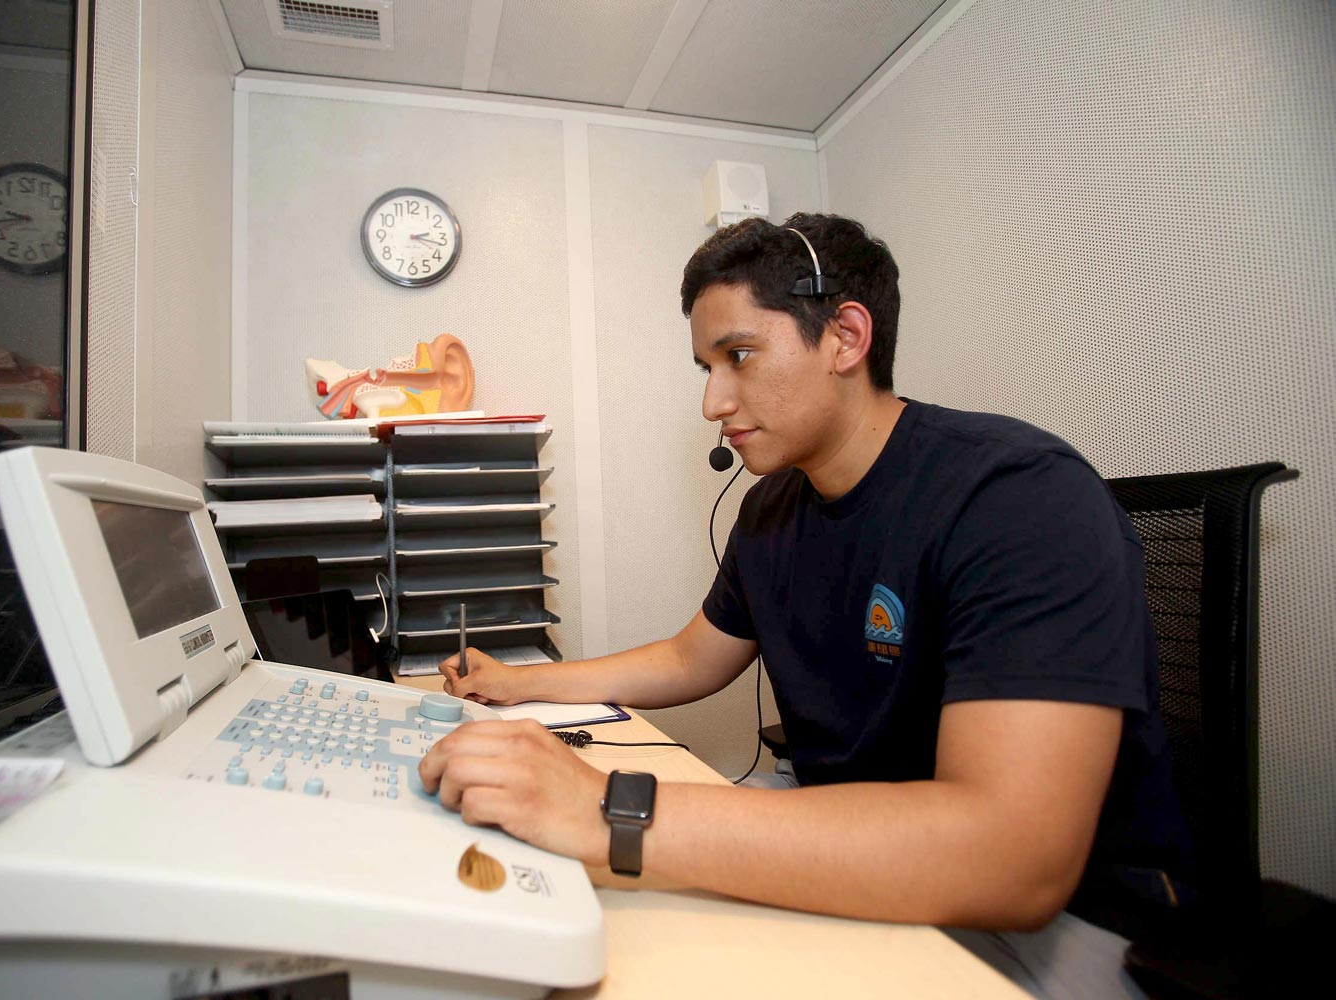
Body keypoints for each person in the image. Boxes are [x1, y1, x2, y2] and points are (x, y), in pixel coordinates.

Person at [417, 213, 1194, 999]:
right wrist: (519, 686)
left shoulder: (1018, 495)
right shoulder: (773, 508)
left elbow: (1011, 860)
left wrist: (610, 810)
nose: (713, 401)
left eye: (739, 355)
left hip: (1070, 920)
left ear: (846, 338)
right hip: (848, 834)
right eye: (705, 367)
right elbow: (691, 658)